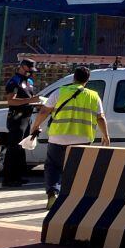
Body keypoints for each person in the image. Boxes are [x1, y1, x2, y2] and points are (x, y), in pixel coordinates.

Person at [27, 66, 109, 209]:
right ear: (87, 80)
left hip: (58, 137)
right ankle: (74, 198)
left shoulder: (60, 92)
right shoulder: (93, 96)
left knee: (53, 166)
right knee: (77, 168)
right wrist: (106, 136)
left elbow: (44, 111)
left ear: (73, 78)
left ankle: (52, 194)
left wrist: (35, 126)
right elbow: (100, 118)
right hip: (82, 138)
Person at [2, 58, 41, 187]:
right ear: (22, 67)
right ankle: (8, 179)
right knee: (13, 148)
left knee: (21, 148)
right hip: (16, 119)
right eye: (29, 70)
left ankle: (17, 177)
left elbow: (29, 98)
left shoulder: (29, 81)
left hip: (26, 117)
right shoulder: (14, 81)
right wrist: (29, 101)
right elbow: (11, 101)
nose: (31, 73)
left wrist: (37, 103)